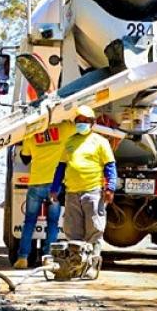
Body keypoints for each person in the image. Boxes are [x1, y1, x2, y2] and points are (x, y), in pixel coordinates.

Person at [50, 105, 117, 279]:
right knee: (72, 232)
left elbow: (110, 166)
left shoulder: (100, 141)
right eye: (79, 121)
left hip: (93, 192)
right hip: (72, 193)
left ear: (92, 123)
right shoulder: (70, 141)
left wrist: (110, 188)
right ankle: (76, 266)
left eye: (85, 121)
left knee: (94, 230)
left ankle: (92, 266)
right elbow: (61, 167)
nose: (81, 124)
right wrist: (54, 189)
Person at [13, 120, 76, 269]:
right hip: (55, 185)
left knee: (29, 222)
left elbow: (25, 158)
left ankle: (22, 258)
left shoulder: (32, 133)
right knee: (53, 223)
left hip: (36, 183)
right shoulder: (65, 128)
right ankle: (47, 258)